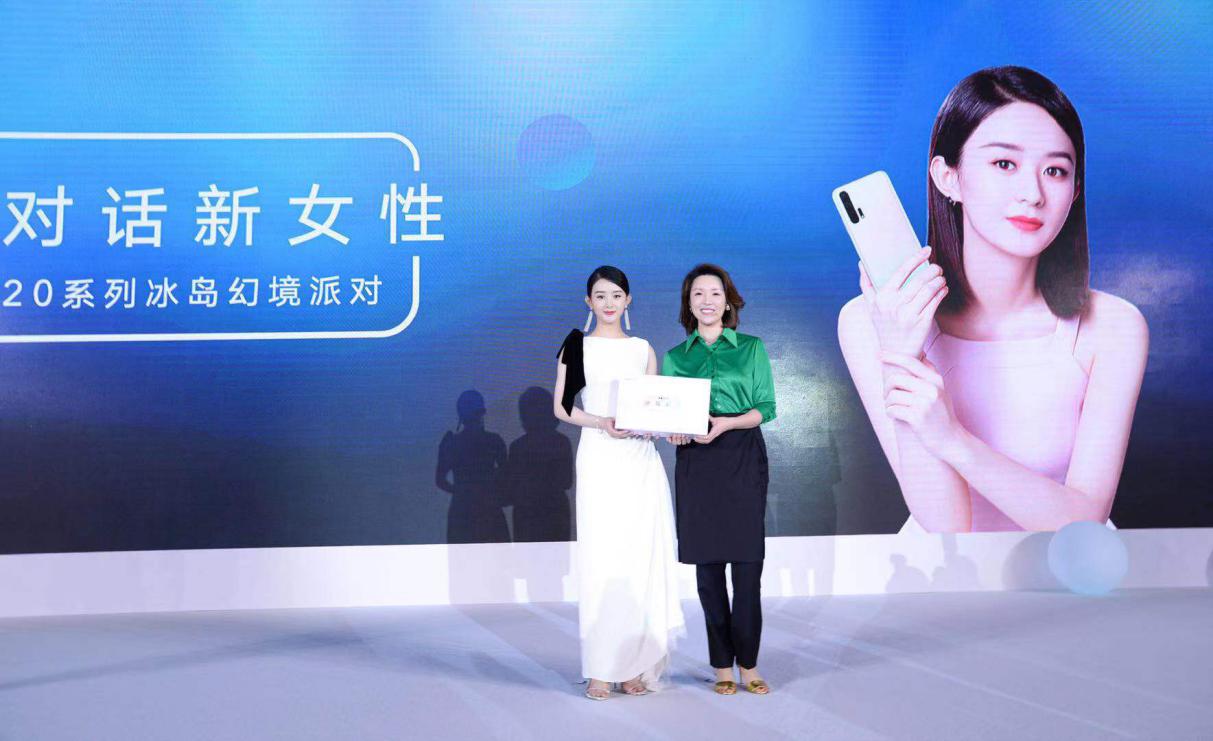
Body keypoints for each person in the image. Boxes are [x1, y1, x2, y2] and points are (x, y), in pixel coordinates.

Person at [837, 65, 1149, 533]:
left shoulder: (1113, 326)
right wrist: (904, 354)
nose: (1032, 194)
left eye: (1055, 170)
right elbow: (945, 529)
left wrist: (952, 438)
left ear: (1075, 191)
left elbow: (1084, 522)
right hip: (943, 572)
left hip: (1070, 570)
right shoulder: (870, 322)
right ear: (948, 177)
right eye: (1005, 164)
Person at [553, 265, 684, 700]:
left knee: (638, 560)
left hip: (641, 462)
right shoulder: (577, 345)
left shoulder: (643, 349)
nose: (608, 303)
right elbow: (562, 408)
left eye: (616, 295)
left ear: (628, 301)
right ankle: (600, 670)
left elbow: (653, 405)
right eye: (600, 296)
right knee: (602, 560)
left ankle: (633, 667)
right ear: (588, 302)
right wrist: (602, 423)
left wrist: (655, 425)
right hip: (600, 457)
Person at [663, 263, 776, 696]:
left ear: (727, 301)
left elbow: (766, 407)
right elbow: (669, 414)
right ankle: (722, 666)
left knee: (747, 569)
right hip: (696, 460)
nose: (706, 301)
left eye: (714, 293)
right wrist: (673, 430)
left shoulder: (751, 348)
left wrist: (727, 423)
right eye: (698, 294)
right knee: (708, 572)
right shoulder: (676, 357)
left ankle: (749, 664)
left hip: (742, 452)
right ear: (688, 304)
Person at [435, 390, 509, 543]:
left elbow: (440, 480)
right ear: (481, 413)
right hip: (489, 512)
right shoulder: (494, 441)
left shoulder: (452, 443)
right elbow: (507, 476)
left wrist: (461, 491)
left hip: (462, 513)